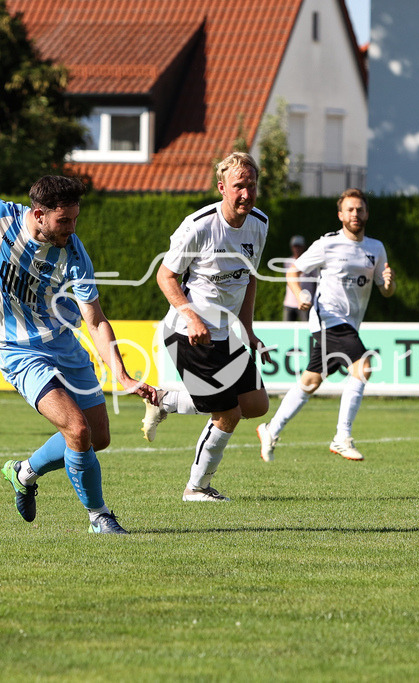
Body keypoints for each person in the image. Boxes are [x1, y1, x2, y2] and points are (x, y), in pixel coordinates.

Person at [0, 78, 157, 535]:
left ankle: (24, 472)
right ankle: (99, 517)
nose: (72, 228)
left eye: (75, 219)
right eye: (64, 220)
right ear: (38, 214)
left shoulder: (75, 252)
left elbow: (95, 319)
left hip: (61, 344)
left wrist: (122, 375)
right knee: (77, 431)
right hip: (16, 349)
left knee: (98, 437)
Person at [141, 152, 271, 501]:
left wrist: (248, 331)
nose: (246, 193)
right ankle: (196, 488)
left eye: (252, 185)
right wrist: (192, 316)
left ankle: (166, 401)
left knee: (256, 404)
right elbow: (165, 276)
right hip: (188, 334)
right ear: (222, 188)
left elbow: (249, 278)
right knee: (228, 413)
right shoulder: (198, 226)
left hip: (224, 332)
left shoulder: (260, 223)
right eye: (238, 186)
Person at [256, 188, 396, 462]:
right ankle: (342, 437)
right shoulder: (327, 244)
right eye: (350, 209)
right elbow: (293, 272)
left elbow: (386, 290)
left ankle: (270, 430)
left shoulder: (376, 248)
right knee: (363, 367)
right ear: (340, 215)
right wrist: (299, 295)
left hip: (350, 324)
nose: (355, 214)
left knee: (310, 381)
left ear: (367, 214)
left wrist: (389, 284)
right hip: (328, 318)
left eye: (360, 209)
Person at [282, 235, 314, 321]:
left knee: (306, 326)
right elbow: (289, 278)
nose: (297, 249)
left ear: (303, 247)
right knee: (286, 327)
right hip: (289, 302)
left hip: (306, 301)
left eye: (299, 246)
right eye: (295, 246)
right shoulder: (287, 262)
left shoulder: (310, 262)